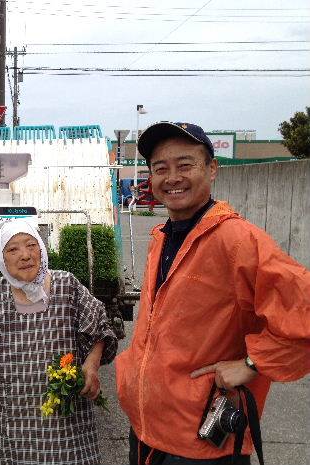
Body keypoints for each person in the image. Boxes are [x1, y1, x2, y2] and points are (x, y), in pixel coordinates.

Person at [115, 121, 310, 465]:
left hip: (200, 441)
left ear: (212, 168)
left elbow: (303, 307)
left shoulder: (237, 240)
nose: (172, 177)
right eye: (161, 168)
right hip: (148, 429)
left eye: (185, 165)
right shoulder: (162, 236)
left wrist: (253, 364)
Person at [0, 219, 118, 465]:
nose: (25, 255)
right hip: (13, 413)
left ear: (42, 250)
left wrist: (92, 364)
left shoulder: (67, 285)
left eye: (31, 245)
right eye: (13, 249)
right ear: (1, 258)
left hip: (66, 416)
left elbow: (100, 326)